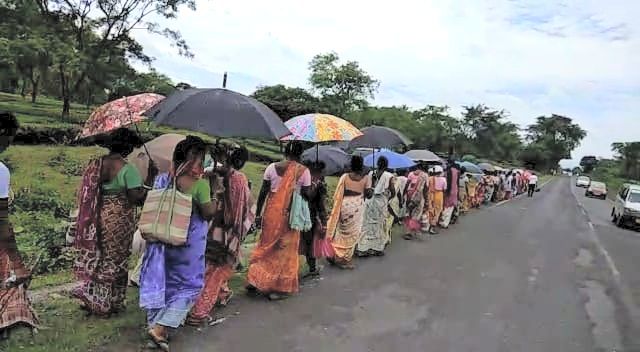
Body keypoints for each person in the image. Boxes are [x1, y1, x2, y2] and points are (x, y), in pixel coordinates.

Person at [139, 136, 218, 351]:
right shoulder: (200, 184)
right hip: (188, 247)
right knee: (190, 287)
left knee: (165, 281)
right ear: (194, 160)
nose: (202, 165)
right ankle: (160, 327)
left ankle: (155, 321)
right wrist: (216, 193)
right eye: (201, 160)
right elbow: (208, 212)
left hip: (162, 243)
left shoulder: (163, 178)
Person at [72, 128, 156, 317]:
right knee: (116, 258)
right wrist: (151, 177)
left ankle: (95, 297)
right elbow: (137, 198)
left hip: (97, 215)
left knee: (100, 256)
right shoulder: (127, 169)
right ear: (126, 147)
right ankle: (106, 302)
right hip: (118, 219)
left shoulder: (98, 163)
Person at [187, 145, 254, 326]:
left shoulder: (210, 175)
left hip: (209, 230)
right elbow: (244, 210)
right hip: (227, 234)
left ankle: (197, 304)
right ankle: (198, 313)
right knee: (215, 273)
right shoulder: (239, 179)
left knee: (205, 269)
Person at [248, 141, 311, 301]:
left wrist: (258, 214)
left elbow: (263, 191)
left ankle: (257, 279)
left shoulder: (271, 168)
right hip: (290, 216)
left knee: (266, 246)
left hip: (271, 214)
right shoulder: (303, 172)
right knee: (285, 252)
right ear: (300, 154)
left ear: (285, 152)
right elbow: (307, 195)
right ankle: (279, 288)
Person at [0, 112, 39, 339]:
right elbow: (2, 221)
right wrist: (18, 263)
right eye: (10, 137)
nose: (10, 144)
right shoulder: (1, 171)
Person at [326, 156, 371, 269]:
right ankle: (344, 259)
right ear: (362, 165)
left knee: (342, 231)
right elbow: (369, 195)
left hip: (345, 205)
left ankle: (334, 252)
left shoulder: (345, 177)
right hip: (357, 207)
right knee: (353, 233)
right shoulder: (366, 178)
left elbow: (338, 193)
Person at [355, 156, 395, 257]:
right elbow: (393, 191)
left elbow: (367, 188)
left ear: (377, 164)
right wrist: (388, 198)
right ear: (386, 165)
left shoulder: (370, 173)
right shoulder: (389, 176)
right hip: (381, 202)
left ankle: (362, 248)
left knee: (367, 224)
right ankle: (377, 248)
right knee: (379, 225)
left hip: (369, 201)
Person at [299, 161, 328, 278]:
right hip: (309, 216)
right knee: (309, 242)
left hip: (300, 214)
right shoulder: (316, 183)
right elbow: (320, 206)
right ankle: (311, 267)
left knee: (305, 241)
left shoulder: (304, 178)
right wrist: (324, 222)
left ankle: (310, 266)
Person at [402, 164, 429, 240]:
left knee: (409, 213)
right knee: (416, 214)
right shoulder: (425, 176)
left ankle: (409, 231)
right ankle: (411, 231)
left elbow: (407, 184)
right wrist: (427, 200)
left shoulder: (411, 173)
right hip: (419, 197)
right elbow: (426, 189)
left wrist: (404, 195)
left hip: (410, 195)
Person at [427, 165, 447, 235]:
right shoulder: (443, 179)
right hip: (439, 195)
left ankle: (429, 224)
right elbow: (444, 189)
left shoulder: (430, 178)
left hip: (431, 195)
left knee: (430, 209)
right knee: (437, 210)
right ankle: (432, 226)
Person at [440, 161, 460, 228]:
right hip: (454, 191)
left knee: (445, 206)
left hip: (446, 191)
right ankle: (445, 223)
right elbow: (457, 183)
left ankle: (441, 220)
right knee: (450, 208)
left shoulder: (446, 171)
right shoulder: (457, 172)